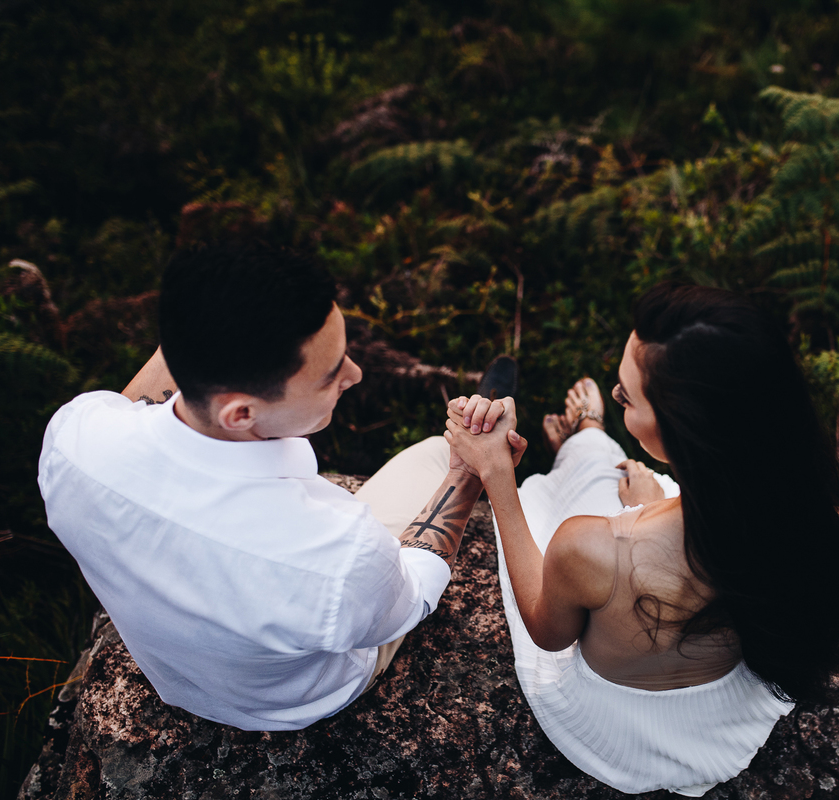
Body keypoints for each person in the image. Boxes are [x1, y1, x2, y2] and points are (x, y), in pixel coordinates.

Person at [37, 242, 523, 731]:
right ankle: (484, 409)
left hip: (178, 677)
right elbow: (411, 598)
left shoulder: (72, 440)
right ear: (241, 413)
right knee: (436, 453)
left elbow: (137, 397)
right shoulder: (343, 554)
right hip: (299, 701)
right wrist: (471, 466)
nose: (355, 374)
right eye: (332, 375)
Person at [444, 282, 839, 796]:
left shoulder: (591, 549)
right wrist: (648, 505)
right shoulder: (829, 527)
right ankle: (586, 433)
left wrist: (497, 477)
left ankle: (584, 432)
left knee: (599, 470)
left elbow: (547, 634)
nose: (620, 393)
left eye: (625, 395)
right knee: (631, 477)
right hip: (718, 717)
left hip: (609, 725)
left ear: (679, 428)